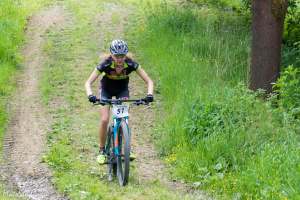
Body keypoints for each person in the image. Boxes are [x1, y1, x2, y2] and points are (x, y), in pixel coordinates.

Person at [85, 39, 154, 164]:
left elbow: (149, 81)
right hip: (106, 90)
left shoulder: (131, 64)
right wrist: (90, 95)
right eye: (116, 56)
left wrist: (149, 94)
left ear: (125, 54)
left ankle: (126, 149)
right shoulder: (105, 64)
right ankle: (101, 150)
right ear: (111, 54)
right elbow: (88, 82)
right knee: (105, 119)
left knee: (124, 118)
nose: (119, 59)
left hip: (122, 91)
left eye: (122, 56)